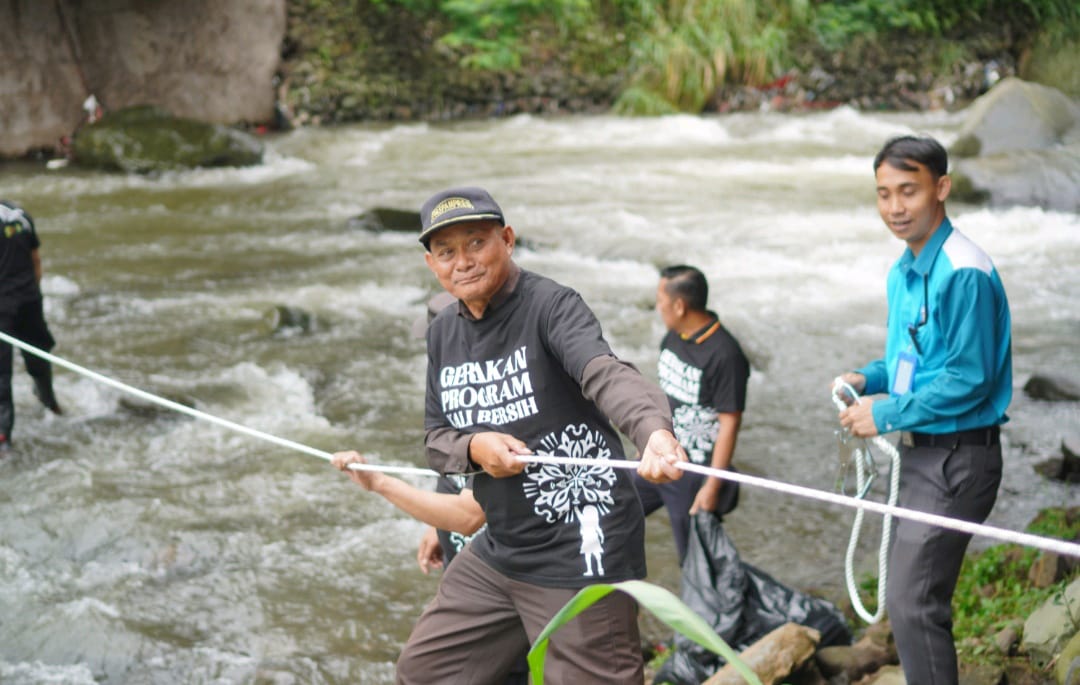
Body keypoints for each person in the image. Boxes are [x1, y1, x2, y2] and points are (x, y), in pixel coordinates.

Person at [399, 186, 687, 684]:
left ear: (507, 240)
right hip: (502, 547)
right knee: (426, 672)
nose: (463, 262)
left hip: (581, 549)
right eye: (446, 252)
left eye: (476, 243)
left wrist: (653, 432)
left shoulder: (552, 306)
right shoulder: (443, 331)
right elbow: (437, 438)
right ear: (432, 264)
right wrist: (475, 447)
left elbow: (605, 373)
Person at [836, 135, 1011, 685]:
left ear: (941, 188)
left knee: (914, 604)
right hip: (921, 456)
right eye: (884, 193)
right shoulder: (905, 269)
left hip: (958, 459)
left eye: (908, 191)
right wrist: (868, 378)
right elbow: (911, 362)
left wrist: (885, 414)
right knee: (910, 601)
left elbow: (970, 378)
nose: (895, 207)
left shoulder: (963, 270)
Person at [634, 265, 750, 564]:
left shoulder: (726, 355)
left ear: (679, 306)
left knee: (694, 560)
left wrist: (712, 486)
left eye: (660, 301)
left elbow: (730, 423)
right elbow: (665, 396)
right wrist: (648, 440)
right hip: (662, 455)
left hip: (694, 473)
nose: (658, 308)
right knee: (611, 507)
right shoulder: (674, 337)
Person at [0, 200, 63, 452]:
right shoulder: (20, 215)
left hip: (3, 307)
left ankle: (3, 437)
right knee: (38, 356)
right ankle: (50, 404)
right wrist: (33, 294)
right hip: (29, 300)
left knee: (1, 375)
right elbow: (36, 260)